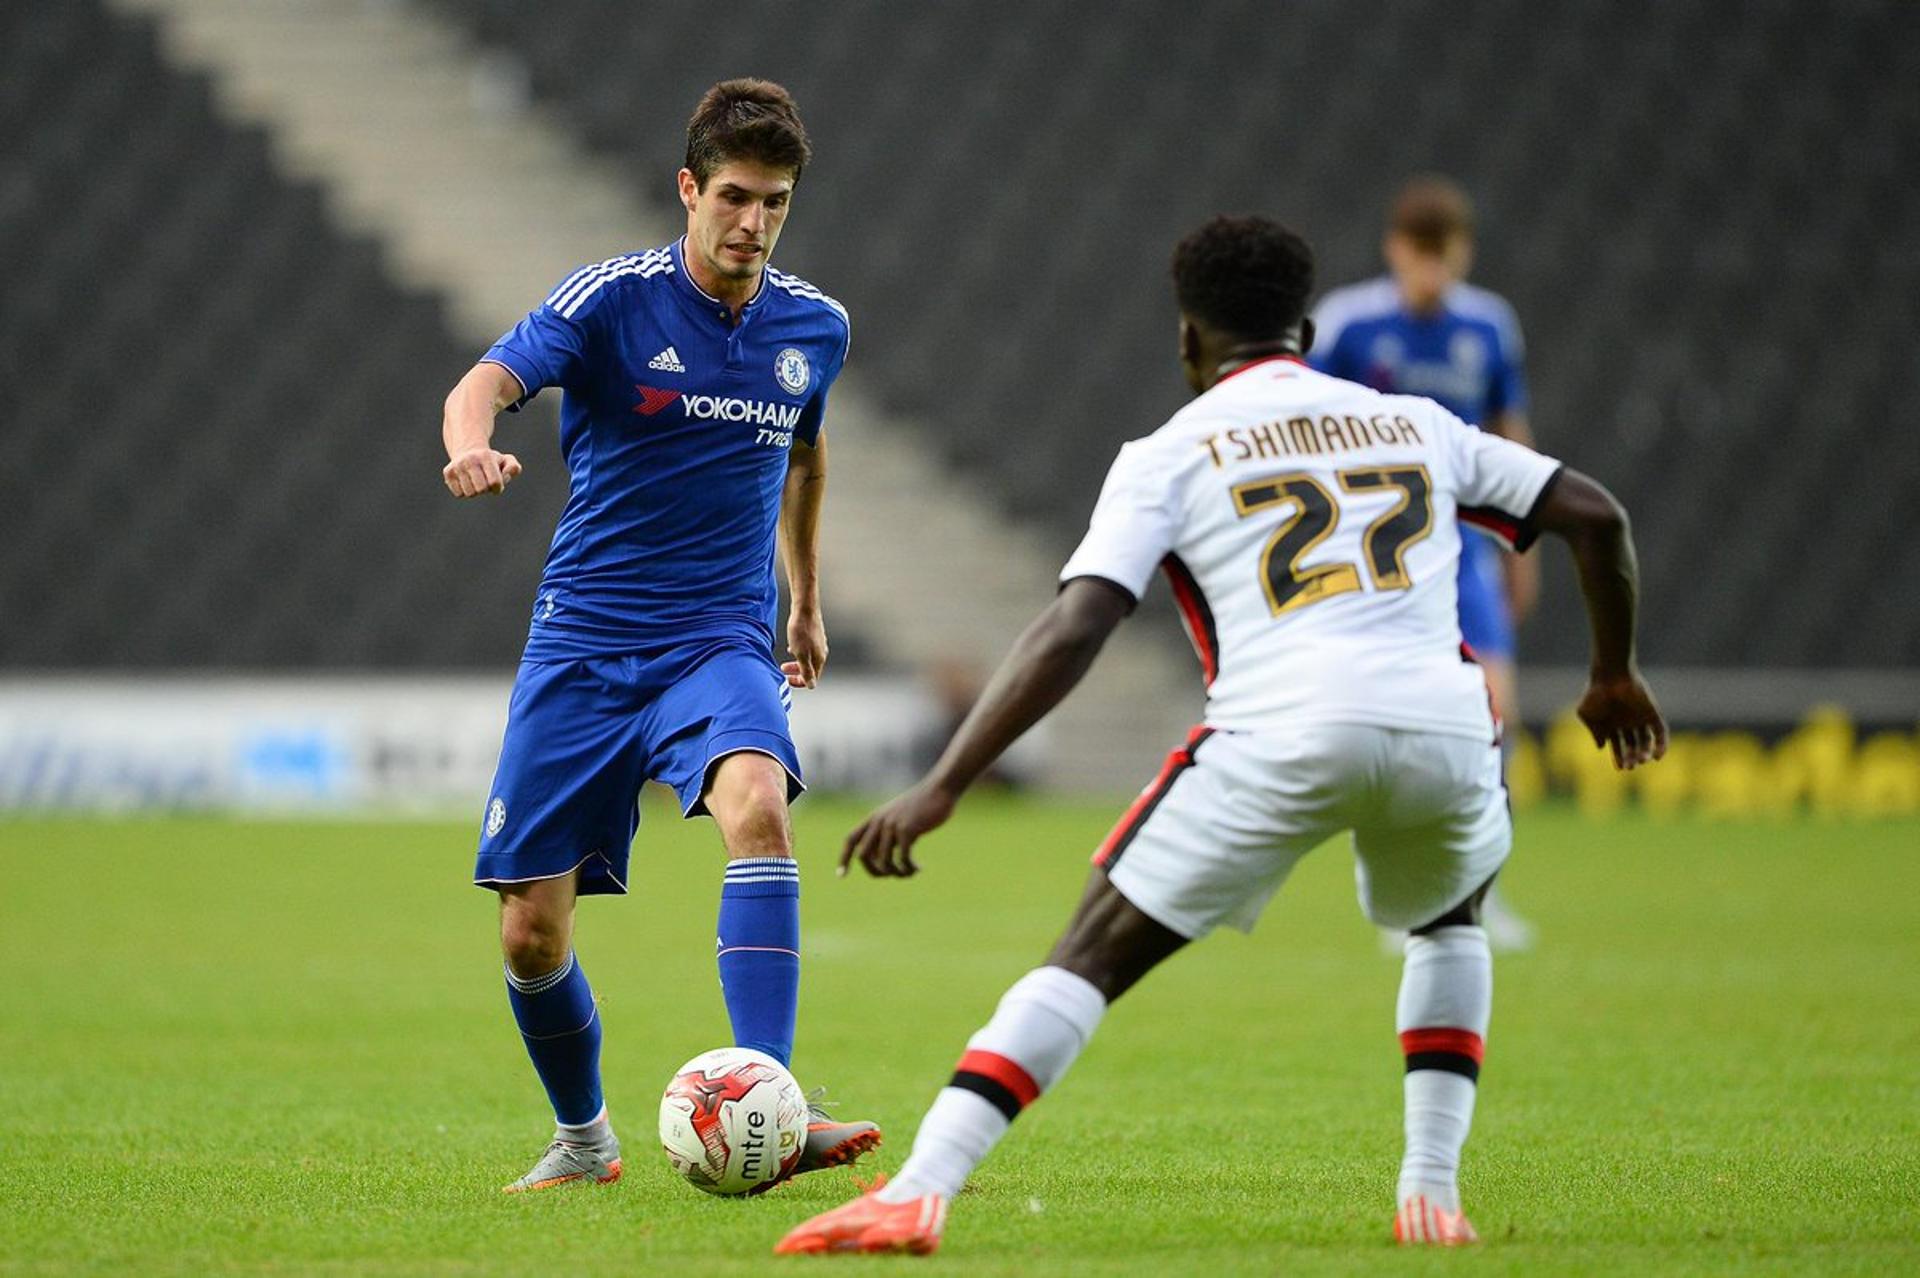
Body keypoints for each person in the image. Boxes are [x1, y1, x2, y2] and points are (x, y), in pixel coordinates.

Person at [774, 216, 1664, 1255]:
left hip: (1281, 731)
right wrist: (1612, 673)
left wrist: (946, 782)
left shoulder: (1170, 452)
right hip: (1445, 727)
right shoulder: (1416, 421)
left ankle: (918, 1192)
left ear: (1189, 339)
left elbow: (1078, 623)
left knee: (1087, 959)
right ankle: (1430, 1195)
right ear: (1310, 327)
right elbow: (1596, 515)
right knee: (1450, 922)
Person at [440, 78, 878, 1194]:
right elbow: (481, 384)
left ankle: (771, 1106)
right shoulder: (611, 301)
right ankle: (585, 1141)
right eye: (733, 195)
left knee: (761, 806)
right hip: (583, 648)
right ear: (688, 189)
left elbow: (807, 457)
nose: (753, 222)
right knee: (532, 935)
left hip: (717, 642)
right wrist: (471, 444)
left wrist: (806, 600)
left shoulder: (813, 328)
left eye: (775, 202)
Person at [1311, 175, 1540, 951]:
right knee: (1383, 719)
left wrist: (1523, 538)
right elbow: (1302, 428)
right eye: (1422, 258)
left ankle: (1479, 892)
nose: (1433, 275)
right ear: (1395, 251)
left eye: (1448, 258)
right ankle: (1399, 891)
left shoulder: (1489, 327)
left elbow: (1511, 431)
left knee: (1493, 713)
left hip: (1465, 553)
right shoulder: (1349, 325)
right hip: (1375, 555)